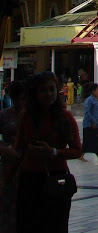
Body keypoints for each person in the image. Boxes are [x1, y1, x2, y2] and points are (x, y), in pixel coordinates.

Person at [14, 71, 82, 233]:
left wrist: (53, 152)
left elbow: (77, 150)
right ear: (34, 93)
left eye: (52, 89)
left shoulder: (65, 117)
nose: (49, 94)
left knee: (55, 225)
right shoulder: (26, 117)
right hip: (29, 179)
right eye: (43, 90)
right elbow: (19, 148)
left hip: (56, 178)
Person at [0, 81, 25, 233]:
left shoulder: (32, 116)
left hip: (29, 166)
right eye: (18, 98)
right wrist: (4, 150)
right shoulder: (4, 115)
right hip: (9, 166)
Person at [79, 83, 98, 163]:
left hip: (96, 125)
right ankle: (82, 155)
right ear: (93, 91)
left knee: (96, 140)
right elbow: (87, 112)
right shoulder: (89, 100)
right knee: (88, 141)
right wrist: (93, 121)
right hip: (89, 125)